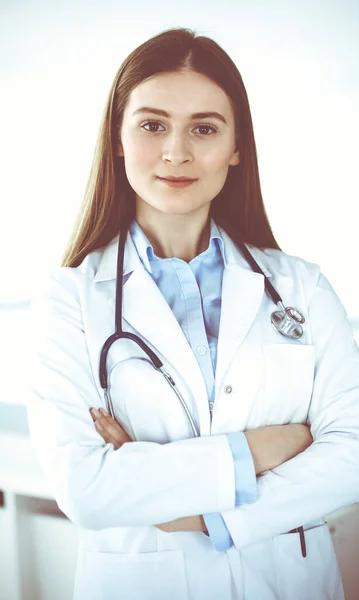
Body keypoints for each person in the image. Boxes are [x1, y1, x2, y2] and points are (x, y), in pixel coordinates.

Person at [27, 27, 359, 600]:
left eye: (204, 129)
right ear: (119, 140)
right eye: (153, 125)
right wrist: (259, 451)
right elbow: (85, 489)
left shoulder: (301, 286)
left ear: (236, 148)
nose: (177, 152)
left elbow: (351, 449)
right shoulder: (69, 300)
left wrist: (210, 515)